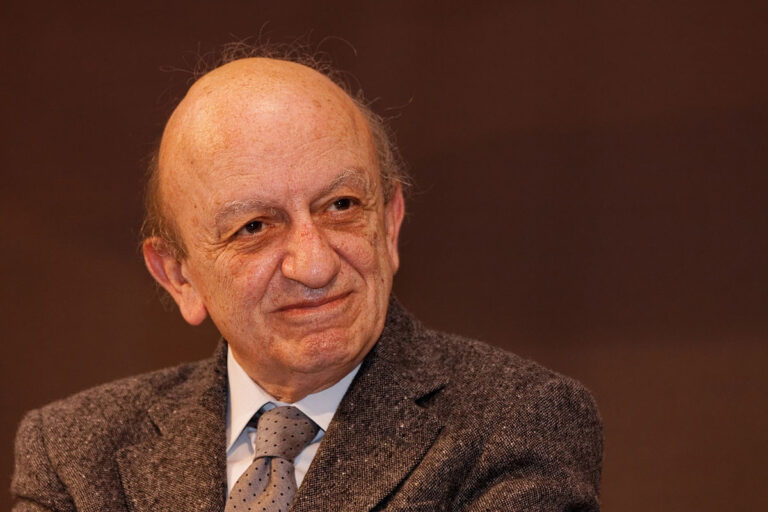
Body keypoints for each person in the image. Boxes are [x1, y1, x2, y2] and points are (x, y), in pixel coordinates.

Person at [12, 55, 603, 511]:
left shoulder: (516, 424)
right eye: (254, 227)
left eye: (341, 205)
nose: (314, 265)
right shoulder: (74, 453)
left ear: (390, 225)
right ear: (179, 275)